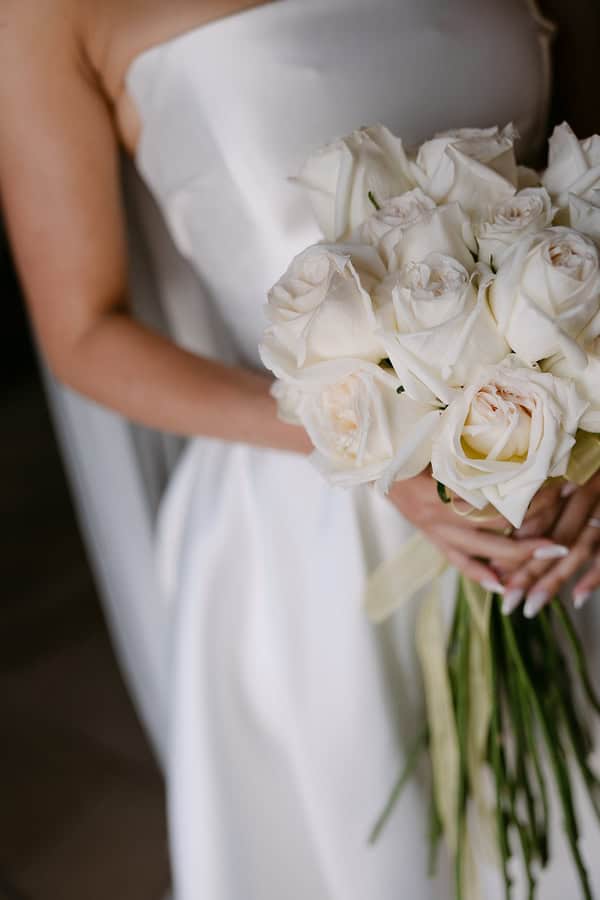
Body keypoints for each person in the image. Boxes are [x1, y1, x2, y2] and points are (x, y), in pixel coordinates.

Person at [2, 0, 600, 896]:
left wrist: (588, 432)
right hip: (307, 532)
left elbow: (582, 192)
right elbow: (84, 332)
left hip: (554, 494)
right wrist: (376, 433)